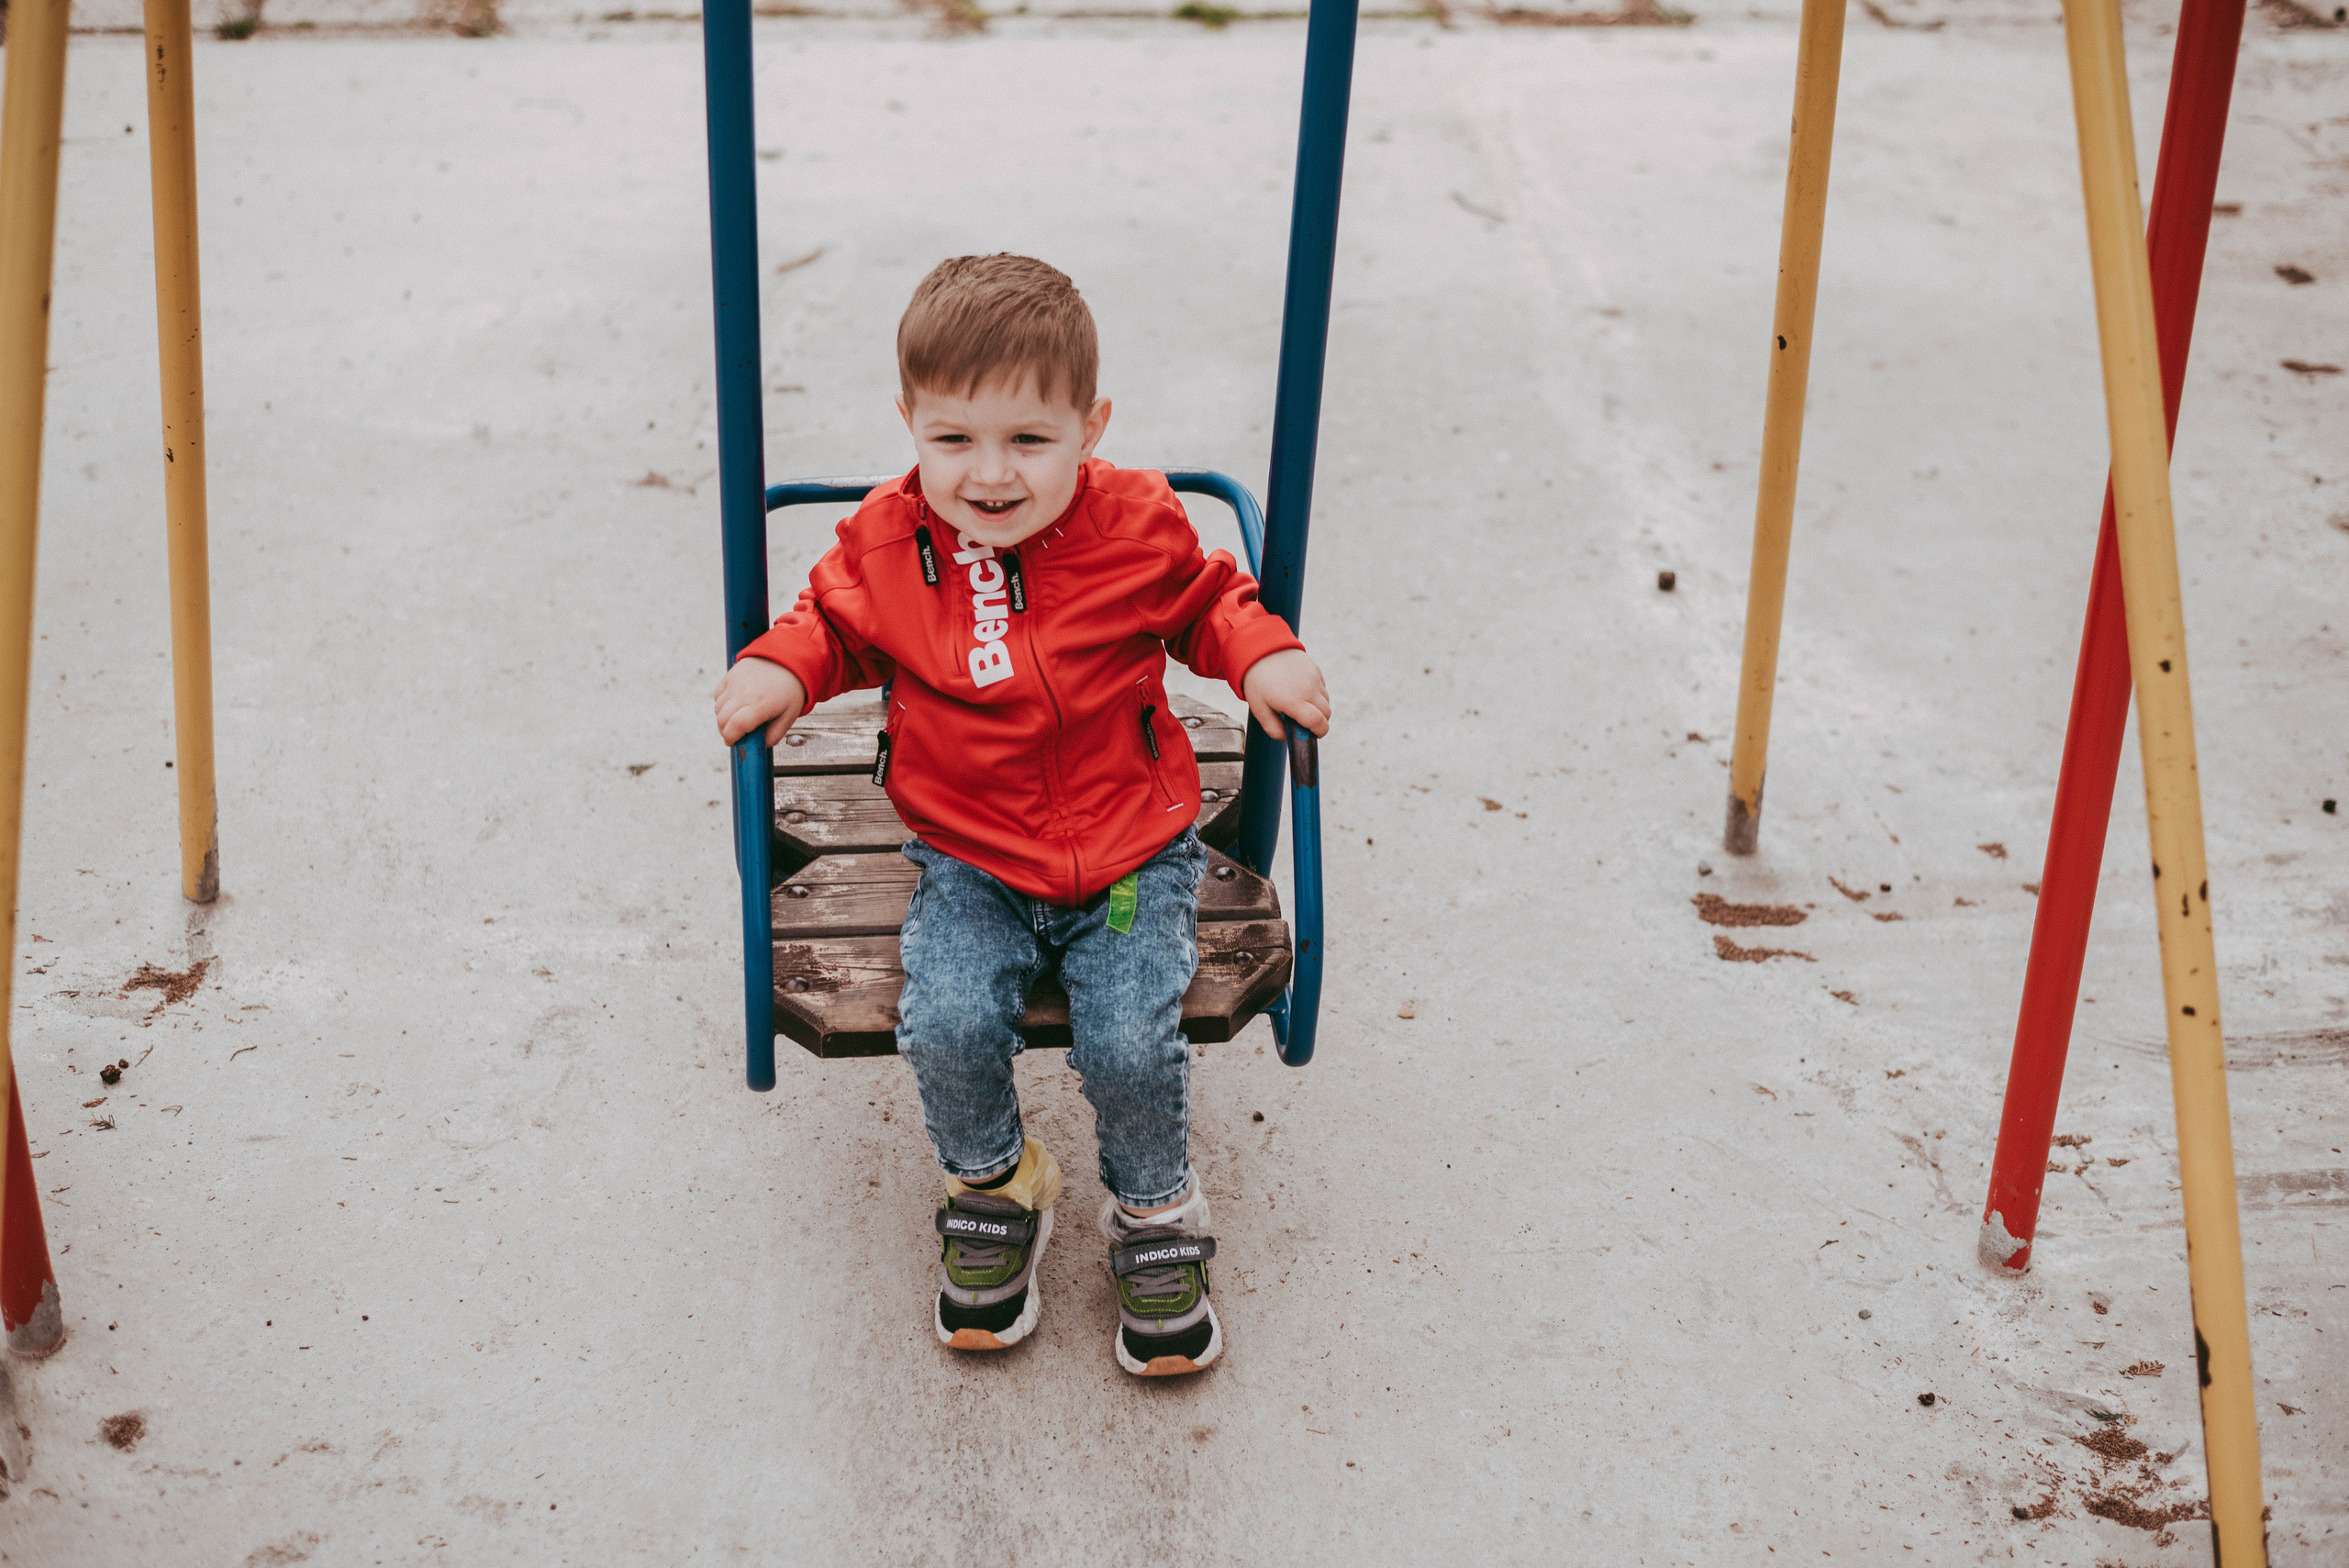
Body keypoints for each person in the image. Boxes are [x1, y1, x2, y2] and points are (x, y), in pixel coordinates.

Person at [711, 254, 1331, 1377]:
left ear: (1089, 427)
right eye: (953, 440)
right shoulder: (889, 543)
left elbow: (1207, 605)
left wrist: (1265, 655)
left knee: (1127, 1034)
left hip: (1132, 848)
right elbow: (833, 624)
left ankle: (1155, 1210)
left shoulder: (1135, 525)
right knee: (944, 1019)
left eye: (1028, 442)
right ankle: (996, 1180)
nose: (989, 476)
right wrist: (782, 668)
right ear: (910, 422)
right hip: (969, 851)